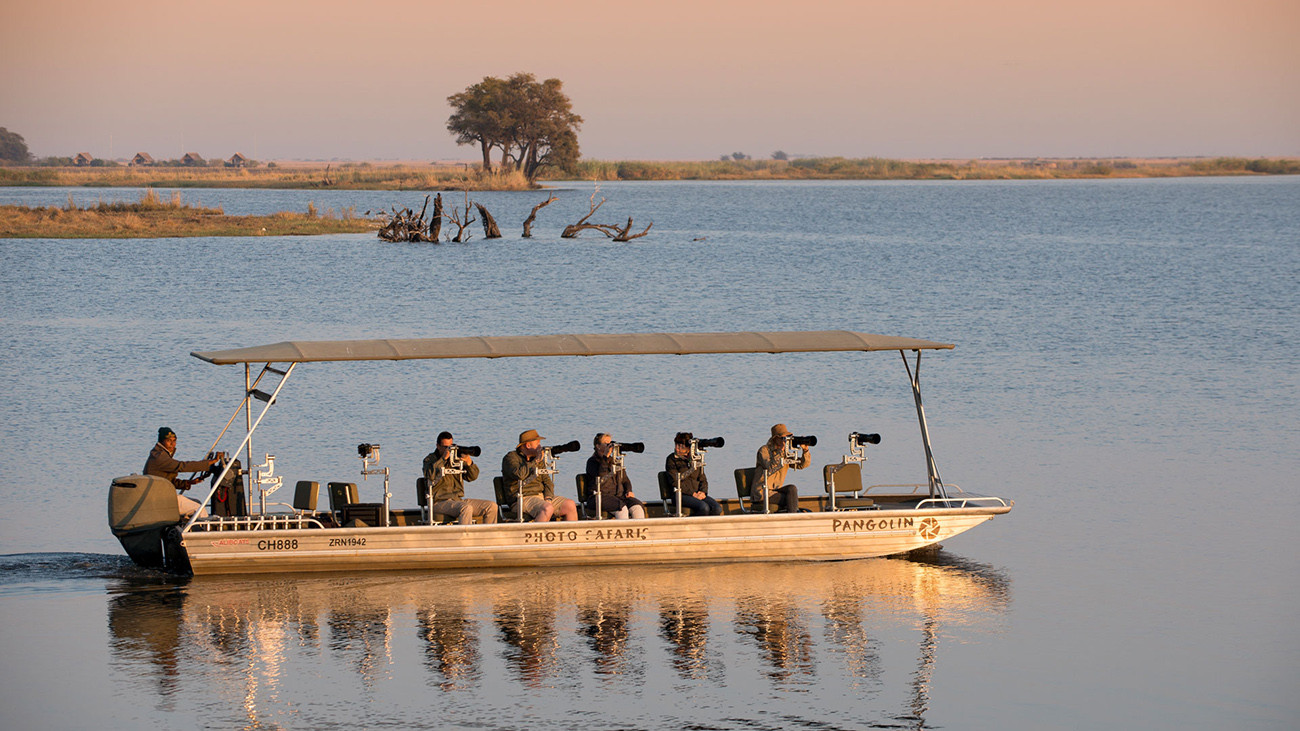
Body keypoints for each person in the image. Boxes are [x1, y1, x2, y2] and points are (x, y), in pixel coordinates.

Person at [501, 429, 579, 522]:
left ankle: (570, 531)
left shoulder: (537, 459)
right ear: (528, 445)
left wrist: (548, 497)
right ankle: (537, 531)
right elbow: (520, 475)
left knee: (570, 505)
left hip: (541, 497)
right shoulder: (511, 458)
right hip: (522, 498)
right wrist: (536, 461)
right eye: (537, 444)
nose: (540, 447)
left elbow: (547, 481)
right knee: (547, 508)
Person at [143, 427, 220, 519]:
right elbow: (182, 466)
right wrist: (210, 462)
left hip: (161, 497)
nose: (172, 444)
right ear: (161, 441)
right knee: (200, 509)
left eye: (174, 441)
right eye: (169, 441)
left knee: (197, 502)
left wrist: (188, 483)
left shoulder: (161, 454)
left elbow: (169, 481)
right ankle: (203, 528)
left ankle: (188, 526)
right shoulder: (159, 457)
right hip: (160, 500)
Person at [422, 431, 498, 525]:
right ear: (438, 446)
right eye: (445, 447)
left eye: (450, 446)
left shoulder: (456, 459)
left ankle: (488, 534)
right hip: (439, 502)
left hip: (457, 500)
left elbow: (472, 477)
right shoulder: (430, 459)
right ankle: (465, 534)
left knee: (491, 506)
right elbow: (430, 475)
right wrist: (443, 459)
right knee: (466, 508)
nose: (448, 450)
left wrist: (469, 463)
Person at [585, 433, 646, 519]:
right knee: (621, 508)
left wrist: (629, 490)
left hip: (618, 496)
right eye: (606, 443)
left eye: (610, 443)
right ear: (598, 446)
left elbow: (625, 480)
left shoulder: (614, 461)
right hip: (599, 496)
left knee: (637, 506)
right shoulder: (592, 462)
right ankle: (623, 527)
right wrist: (605, 457)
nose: (609, 446)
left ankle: (639, 527)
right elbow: (601, 476)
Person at [754, 423, 809, 513]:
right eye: (783, 438)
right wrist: (780, 452)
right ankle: (793, 516)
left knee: (792, 488)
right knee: (788, 498)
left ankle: (792, 514)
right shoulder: (764, 451)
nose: (786, 441)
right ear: (775, 438)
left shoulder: (784, 453)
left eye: (788, 438)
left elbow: (801, 465)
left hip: (775, 490)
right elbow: (770, 467)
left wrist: (805, 450)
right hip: (762, 492)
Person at [665, 432, 722, 516]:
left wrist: (703, 492)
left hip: (697, 493)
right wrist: (692, 494)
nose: (677, 448)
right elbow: (675, 481)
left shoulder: (695, 458)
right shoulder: (671, 459)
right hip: (680, 494)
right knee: (704, 507)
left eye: (681, 446)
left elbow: (702, 478)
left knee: (717, 508)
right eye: (676, 445)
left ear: (688, 448)